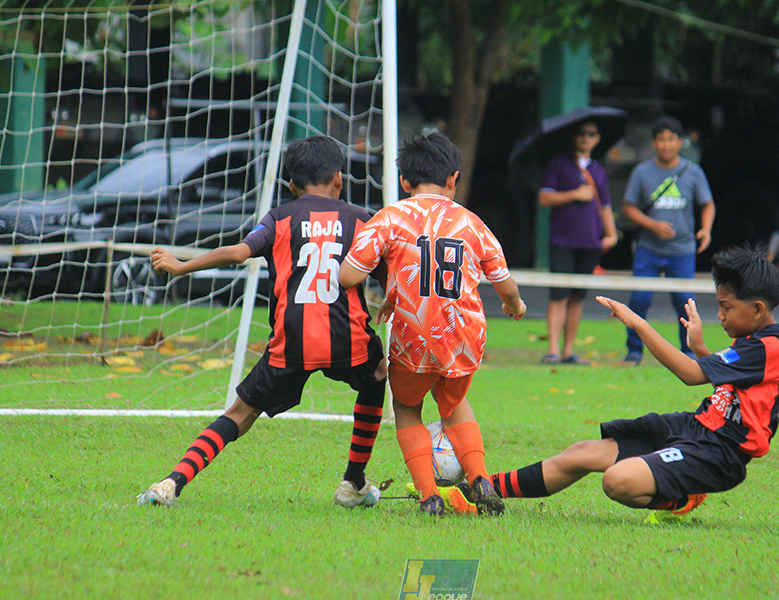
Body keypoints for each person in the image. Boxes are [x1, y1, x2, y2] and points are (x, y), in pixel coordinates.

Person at [137, 135, 388, 510]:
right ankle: (353, 482)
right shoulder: (362, 220)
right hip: (346, 338)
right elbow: (389, 272)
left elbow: (238, 253)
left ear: (291, 185)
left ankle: (170, 484)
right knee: (378, 373)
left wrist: (182, 265)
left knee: (240, 414)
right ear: (339, 179)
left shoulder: (279, 218)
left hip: (292, 340)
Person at [491, 246, 779, 523]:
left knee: (617, 481)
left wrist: (638, 323)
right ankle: (482, 488)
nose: (720, 316)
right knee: (580, 453)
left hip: (719, 454)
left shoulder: (771, 348)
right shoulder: (762, 342)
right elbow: (733, 390)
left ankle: (684, 497)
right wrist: (701, 349)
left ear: (757, 309)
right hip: (696, 427)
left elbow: (691, 375)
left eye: (726, 307)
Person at [339, 132, 527, 517]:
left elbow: (348, 277)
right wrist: (516, 305)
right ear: (453, 179)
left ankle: (429, 496)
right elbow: (505, 284)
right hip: (463, 337)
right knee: (453, 403)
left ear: (404, 181)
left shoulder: (389, 218)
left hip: (413, 337)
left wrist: (389, 277)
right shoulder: (472, 223)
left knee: (407, 407)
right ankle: (480, 478)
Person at [622, 116, 715, 366]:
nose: (666, 145)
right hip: (649, 248)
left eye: (671, 140)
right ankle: (634, 351)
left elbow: (707, 204)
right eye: (661, 140)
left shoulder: (693, 171)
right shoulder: (642, 172)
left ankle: (688, 352)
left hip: (682, 249)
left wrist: (706, 230)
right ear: (654, 143)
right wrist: (652, 225)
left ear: (679, 142)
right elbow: (628, 208)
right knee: (639, 300)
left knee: (684, 303)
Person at [539, 120, 619, 365]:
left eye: (591, 134)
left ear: (597, 138)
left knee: (577, 297)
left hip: (590, 242)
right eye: (581, 133)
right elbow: (544, 197)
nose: (586, 138)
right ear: (573, 136)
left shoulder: (598, 169)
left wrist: (611, 233)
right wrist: (575, 194)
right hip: (563, 240)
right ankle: (553, 350)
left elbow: (606, 205)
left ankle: (568, 350)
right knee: (558, 295)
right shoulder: (559, 163)